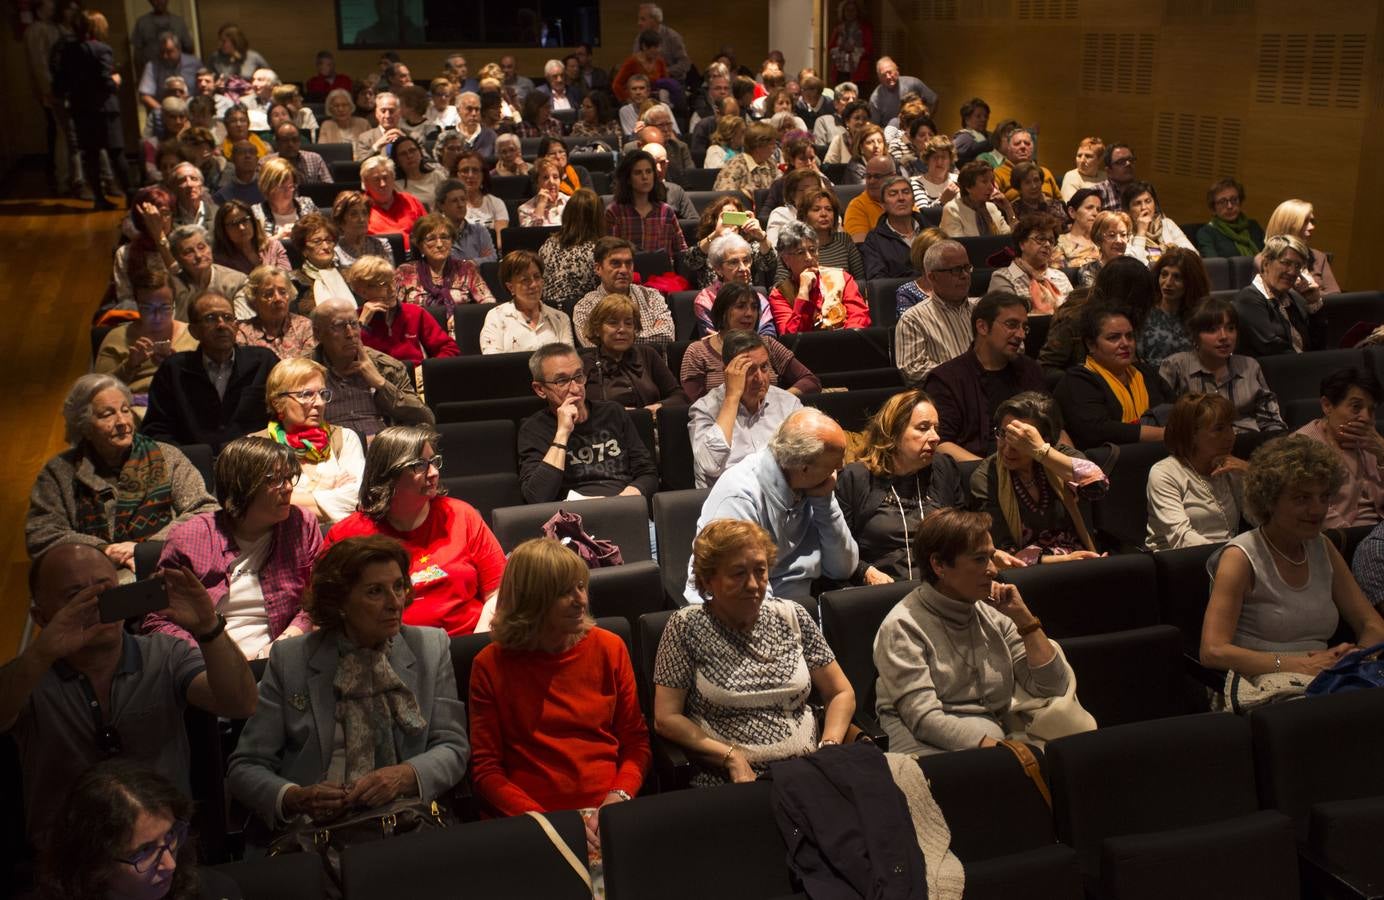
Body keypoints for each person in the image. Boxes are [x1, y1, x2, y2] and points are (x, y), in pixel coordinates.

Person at [1, 542, 257, 840]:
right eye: (76, 597)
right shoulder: (28, 677)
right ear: (42, 617)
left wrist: (209, 627)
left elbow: (241, 704)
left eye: (105, 589)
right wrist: (41, 653)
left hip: (164, 845)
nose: (96, 604)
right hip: (70, 854)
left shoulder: (165, 654)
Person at [227, 535, 469, 834]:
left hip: (410, 822)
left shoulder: (430, 647)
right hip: (316, 832)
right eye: (375, 592)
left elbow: (453, 746)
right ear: (340, 602)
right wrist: (295, 797)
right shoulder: (291, 659)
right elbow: (246, 766)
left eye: (398, 587)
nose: (395, 602)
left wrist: (405, 776)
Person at [655, 518, 854, 785]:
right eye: (738, 574)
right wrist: (730, 757)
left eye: (760, 571)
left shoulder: (792, 616)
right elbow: (666, 718)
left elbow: (840, 692)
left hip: (808, 771)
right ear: (707, 580)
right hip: (731, 781)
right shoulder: (685, 627)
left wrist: (830, 746)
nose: (753, 584)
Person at [469, 537, 648, 832]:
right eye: (564, 592)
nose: (581, 600)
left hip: (608, 811)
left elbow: (636, 743)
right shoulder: (490, 665)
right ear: (531, 601)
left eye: (580, 586)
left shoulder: (609, 648)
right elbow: (487, 771)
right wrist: (550, 824)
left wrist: (618, 797)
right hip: (531, 822)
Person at [873, 508, 1071, 755]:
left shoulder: (993, 612)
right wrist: (1002, 751)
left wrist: (1024, 620)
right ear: (939, 565)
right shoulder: (902, 626)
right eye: (979, 559)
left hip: (994, 742)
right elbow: (924, 719)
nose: (993, 570)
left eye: (991, 557)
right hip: (926, 747)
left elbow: (1052, 686)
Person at [1201, 436, 1384, 695]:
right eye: (1302, 498)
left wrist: (1355, 656)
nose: (1317, 510)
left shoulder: (1322, 547)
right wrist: (1300, 665)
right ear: (1269, 500)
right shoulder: (1240, 556)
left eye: (1324, 497)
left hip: (1322, 680)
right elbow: (1213, 651)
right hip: (1260, 685)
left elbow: (1372, 624)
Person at [144, 436, 318, 659]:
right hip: (207, 658)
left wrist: (280, 647)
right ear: (243, 486)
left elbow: (317, 599)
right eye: (275, 480)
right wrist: (211, 659)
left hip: (283, 654)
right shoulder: (190, 537)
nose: (288, 488)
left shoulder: (301, 524)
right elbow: (159, 620)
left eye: (289, 478)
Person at [26, 373, 215, 575]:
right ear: (84, 425)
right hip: (92, 575)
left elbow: (205, 511)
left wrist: (143, 549)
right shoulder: (59, 471)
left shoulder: (167, 456)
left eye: (125, 410)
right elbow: (41, 534)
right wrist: (103, 551)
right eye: (107, 414)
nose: (122, 421)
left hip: (163, 566)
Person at [324, 428, 505, 636]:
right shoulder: (347, 535)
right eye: (420, 465)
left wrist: (477, 643)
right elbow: (327, 609)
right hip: (383, 649)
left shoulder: (462, 516)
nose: (433, 472)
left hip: (464, 642)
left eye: (434, 462)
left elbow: (498, 593)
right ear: (389, 474)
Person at [685, 408, 858, 603]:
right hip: (745, 609)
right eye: (834, 465)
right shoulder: (740, 496)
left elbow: (843, 568)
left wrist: (824, 502)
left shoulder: (813, 485)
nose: (840, 468)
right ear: (804, 468)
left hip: (802, 601)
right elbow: (743, 590)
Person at [39, 760, 230, 900]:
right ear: (96, 862)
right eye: (145, 850)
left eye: (170, 835)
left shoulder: (212, 891)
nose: (170, 864)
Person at [835, 389, 964, 584]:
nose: (935, 437)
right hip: (883, 590)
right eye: (923, 428)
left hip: (942, 587)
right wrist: (864, 571)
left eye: (936, 428)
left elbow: (963, 533)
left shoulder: (943, 468)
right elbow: (837, 548)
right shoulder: (856, 478)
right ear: (893, 433)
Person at [971, 392, 1107, 566]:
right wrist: (1063, 560)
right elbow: (1003, 551)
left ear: (1044, 439)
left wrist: (1042, 452)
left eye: (1021, 440)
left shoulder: (1059, 457)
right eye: (1004, 434)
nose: (1008, 448)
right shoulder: (986, 477)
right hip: (1028, 571)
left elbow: (1098, 486)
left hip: (1082, 558)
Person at [518, 343, 659, 504]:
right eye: (562, 380)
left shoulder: (613, 413)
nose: (576, 388)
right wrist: (562, 433)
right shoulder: (533, 429)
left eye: (578, 376)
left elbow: (647, 473)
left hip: (623, 505)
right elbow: (536, 497)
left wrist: (623, 499)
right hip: (572, 514)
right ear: (540, 389)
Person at [143, 292, 278, 452]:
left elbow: (283, 414)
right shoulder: (173, 370)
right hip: (193, 460)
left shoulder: (264, 362)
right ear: (194, 331)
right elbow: (156, 429)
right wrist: (187, 457)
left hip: (253, 457)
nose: (221, 325)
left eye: (228, 318)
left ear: (236, 326)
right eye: (210, 318)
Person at [926, 291, 1049, 462]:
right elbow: (941, 443)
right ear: (982, 327)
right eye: (1012, 325)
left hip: (1031, 466)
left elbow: (1053, 428)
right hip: (973, 471)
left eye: (1024, 327)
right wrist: (991, 471)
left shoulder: (1030, 369)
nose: (1021, 335)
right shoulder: (946, 379)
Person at [252, 358, 365, 526]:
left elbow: (357, 499)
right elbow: (260, 504)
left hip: (341, 537)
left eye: (322, 394)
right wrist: (329, 490)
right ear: (278, 403)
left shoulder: (345, 438)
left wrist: (291, 500)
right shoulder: (255, 446)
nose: (319, 403)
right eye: (306, 394)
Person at [1159, 297, 1288, 442]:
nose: (1224, 336)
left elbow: (1272, 422)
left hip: (1250, 443)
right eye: (1212, 330)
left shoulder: (1250, 366)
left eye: (1230, 328)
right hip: (1199, 447)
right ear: (1194, 336)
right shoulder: (1175, 366)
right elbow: (1165, 423)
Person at [309, 297, 435, 439]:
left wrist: (381, 384)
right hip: (328, 446)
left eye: (354, 324)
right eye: (338, 326)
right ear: (318, 333)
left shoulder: (387, 367)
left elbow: (425, 419)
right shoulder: (303, 371)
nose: (350, 334)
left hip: (382, 446)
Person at [690, 330, 802, 489]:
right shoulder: (705, 409)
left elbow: (807, 459)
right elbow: (710, 465)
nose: (760, 378)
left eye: (764, 367)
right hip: (729, 499)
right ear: (728, 372)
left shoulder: (789, 404)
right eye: (749, 370)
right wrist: (732, 398)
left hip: (780, 496)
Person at [1054, 303, 1175, 449]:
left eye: (1129, 336)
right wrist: (1165, 434)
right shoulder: (1078, 380)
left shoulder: (1145, 372)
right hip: (1111, 459)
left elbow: (1178, 409)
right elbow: (1098, 430)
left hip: (1163, 452)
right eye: (1114, 338)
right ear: (1091, 344)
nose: (1125, 343)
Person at [681, 283, 820, 402]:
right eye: (741, 306)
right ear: (722, 312)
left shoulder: (767, 343)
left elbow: (810, 381)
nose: (749, 314)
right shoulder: (697, 351)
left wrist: (777, 400)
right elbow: (696, 404)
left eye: (754, 307)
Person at [52, 11, 134, 210]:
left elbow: (60, 83)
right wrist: (116, 80)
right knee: (116, 153)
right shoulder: (101, 49)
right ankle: (131, 196)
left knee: (91, 155)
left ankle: (99, 198)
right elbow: (106, 82)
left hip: (81, 110)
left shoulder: (68, 50)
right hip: (105, 110)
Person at [1146, 393, 1247, 551]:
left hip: (1226, 555)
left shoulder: (1229, 467)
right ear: (1192, 434)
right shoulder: (1165, 473)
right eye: (1219, 429)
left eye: (1231, 426)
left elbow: (1261, 520)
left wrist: (1251, 472)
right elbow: (1181, 538)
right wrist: (1233, 555)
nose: (1230, 436)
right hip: (1179, 559)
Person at [1292, 368, 1384, 529]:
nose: (1366, 418)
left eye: (1371, 410)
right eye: (1356, 407)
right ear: (1327, 405)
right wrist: (1347, 538)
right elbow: (1312, 510)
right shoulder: (1301, 446)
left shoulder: (1372, 441)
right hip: (1341, 536)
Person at [94, 267, 198, 407]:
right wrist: (130, 366)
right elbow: (98, 390)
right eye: (148, 308)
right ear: (137, 305)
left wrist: (178, 368)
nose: (157, 316)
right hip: (134, 407)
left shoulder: (193, 335)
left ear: (174, 303)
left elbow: (211, 384)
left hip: (184, 405)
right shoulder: (117, 338)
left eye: (165, 307)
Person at [579, 294, 686, 412]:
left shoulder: (648, 354)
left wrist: (658, 407)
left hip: (649, 421)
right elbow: (576, 406)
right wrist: (615, 413)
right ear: (597, 329)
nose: (622, 329)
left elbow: (679, 396)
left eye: (628, 323)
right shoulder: (583, 364)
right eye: (613, 323)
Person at [347, 256, 458, 367]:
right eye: (383, 284)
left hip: (415, 374)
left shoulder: (415, 312)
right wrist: (362, 324)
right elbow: (348, 360)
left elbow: (449, 348)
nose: (392, 289)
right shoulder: (352, 319)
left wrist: (427, 370)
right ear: (363, 291)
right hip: (375, 376)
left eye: (392, 281)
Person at [895, 240, 978, 385]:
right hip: (946, 393)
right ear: (932, 277)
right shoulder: (913, 319)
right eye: (956, 270)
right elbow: (913, 371)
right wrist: (966, 373)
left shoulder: (980, 309)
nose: (965, 275)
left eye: (967, 267)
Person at [393, 213, 495, 329]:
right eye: (431, 239)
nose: (439, 244)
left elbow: (489, 303)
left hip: (458, 332)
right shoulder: (405, 272)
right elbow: (393, 310)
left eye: (444, 237)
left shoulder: (466, 269)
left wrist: (463, 319)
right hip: (418, 332)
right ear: (420, 245)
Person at [768, 221, 871, 333]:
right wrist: (803, 291)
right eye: (800, 252)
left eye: (812, 250)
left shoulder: (841, 278)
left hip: (844, 340)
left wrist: (844, 339)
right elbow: (792, 336)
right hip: (806, 344)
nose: (809, 257)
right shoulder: (779, 294)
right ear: (785, 260)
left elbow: (859, 317)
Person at [1232, 233, 1325, 356]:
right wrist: (1308, 363)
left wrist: (1314, 303)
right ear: (1266, 264)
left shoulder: (1294, 298)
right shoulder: (1248, 298)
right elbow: (1271, 348)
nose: (1292, 272)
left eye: (1297, 266)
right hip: (1271, 367)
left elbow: (1318, 345)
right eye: (1286, 263)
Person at [572, 237, 675, 347]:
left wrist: (614, 340)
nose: (624, 270)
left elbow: (667, 337)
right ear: (598, 268)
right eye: (615, 263)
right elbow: (594, 347)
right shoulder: (585, 307)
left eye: (628, 263)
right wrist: (652, 333)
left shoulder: (651, 296)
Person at [481, 250, 573, 354]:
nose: (534, 285)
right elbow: (492, 361)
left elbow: (569, 359)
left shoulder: (560, 318)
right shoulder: (496, 317)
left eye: (537, 277)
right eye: (525, 280)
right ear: (511, 287)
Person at [684, 196, 778, 294]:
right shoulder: (707, 245)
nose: (731, 223)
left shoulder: (748, 246)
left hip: (745, 295)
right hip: (713, 298)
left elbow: (769, 263)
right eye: (727, 217)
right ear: (715, 221)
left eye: (735, 216)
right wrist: (716, 234)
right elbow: (690, 262)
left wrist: (761, 237)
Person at [689, 231, 775, 335]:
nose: (743, 268)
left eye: (746, 261)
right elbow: (713, 339)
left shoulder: (759, 299)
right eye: (733, 262)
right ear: (718, 269)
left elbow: (768, 337)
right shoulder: (706, 301)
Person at [606, 149, 687, 258]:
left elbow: (682, 251)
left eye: (648, 171)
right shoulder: (615, 212)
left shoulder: (666, 211)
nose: (645, 177)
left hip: (661, 268)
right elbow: (609, 254)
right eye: (638, 173)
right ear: (628, 179)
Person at [986, 214, 1073, 314]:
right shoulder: (1003, 278)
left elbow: (1074, 312)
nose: (1047, 244)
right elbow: (1007, 315)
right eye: (1040, 239)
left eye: (1051, 241)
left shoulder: (1060, 277)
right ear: (1022, 244)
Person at [1135, 248, 1208, 366]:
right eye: (1164, 274)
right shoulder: (1144, 313)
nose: (1168, 283)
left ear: (1191, 282)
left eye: (1177, 277)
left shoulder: (1201, 316)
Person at [537, 189, 604, 307]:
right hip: (583, 312)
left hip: (548, 310)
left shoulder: (548, 244)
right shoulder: (597, 250)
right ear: (597, 217)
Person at [235, 265, 317, 359]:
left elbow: (309, 365)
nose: (278, 299)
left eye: (283, 292)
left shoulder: (305, 326)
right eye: (268, 294)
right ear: (254, 300)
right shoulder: (243, 333)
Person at [1263, 198, 1341, 297]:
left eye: (1312, 221)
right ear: (1288, 225)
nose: (1312, 227)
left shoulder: (1318, 256)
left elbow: (1336, 297)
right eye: (1305, 221)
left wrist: (1316, 294)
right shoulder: (1266, 258)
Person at [861, 175, 926, 280]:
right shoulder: (874, 240)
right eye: (893, 194)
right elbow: (878, 281)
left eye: (906, 192)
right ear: (883, 204)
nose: (901, 198)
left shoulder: (930, 230)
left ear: (913, 201)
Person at [795, 188, 866, 282]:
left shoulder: (844, 240)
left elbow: (860, 280)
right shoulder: (793, 244)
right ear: (804, 216)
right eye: (816, 210)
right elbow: (781, 283)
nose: (824, 214)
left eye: (829, 209)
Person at [360, 156, 426, 252]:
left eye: (386, 177)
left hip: (415, 256)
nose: (382, 184)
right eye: (376, 179)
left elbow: (429, 230)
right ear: (366, 183)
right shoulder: (360, 208)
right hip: (377, 258)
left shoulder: (410, 201)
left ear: (393, 178)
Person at [213, 199, 290, 276]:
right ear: (222, 230)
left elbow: (286, 276)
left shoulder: (272, 246)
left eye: (244, 220)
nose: (242, 227)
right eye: (233, 224)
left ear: (253, 221)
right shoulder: (221, 262)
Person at [940, 160, 1014, 237]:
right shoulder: (952, 209)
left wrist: (1008, 209)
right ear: (968, 187)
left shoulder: (991, 207)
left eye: (992, 181)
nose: (991, 187)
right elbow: (956, 243)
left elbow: (1011, 238)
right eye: (984, 182)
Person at [1195, 177, 1265, 258]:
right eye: (1222, 202)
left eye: (1234, 199)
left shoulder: (1253, 226)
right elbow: (1214, 264)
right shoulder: (1206, 233)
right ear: (1213, 208)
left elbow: (1270, 255)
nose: (1230, 206)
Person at [713, 122, 780, 199]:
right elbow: (724, 195)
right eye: (772, 144)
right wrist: (742, 195)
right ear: (758, 146)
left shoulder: (770, 163)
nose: (775, 148)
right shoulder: (736, 164)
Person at [452, 150, 509, 236]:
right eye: (465, 170)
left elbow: (501, 237)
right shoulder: (449, 205)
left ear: (483, 175)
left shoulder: (496, 203)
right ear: (457, 175)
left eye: (475, 170)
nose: (470, 175)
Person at [868, 55, 936, 126]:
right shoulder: (875, 98)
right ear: (879, 78)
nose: (888, 77)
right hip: (890, 130)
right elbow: (874, 126)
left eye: (890, 72)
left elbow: (934, 100)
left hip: (916, 128)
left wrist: (927, 122)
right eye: (884, 75)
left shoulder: (913, 83)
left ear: (897, 71)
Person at [332, 190, 394, 267]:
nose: (362, 219)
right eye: (354, 214)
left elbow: (390, 273)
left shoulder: (381, 245)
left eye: (364, 213)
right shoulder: (334, 252)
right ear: (341, 222)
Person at [630, 3, 691, 80]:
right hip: (647, 81)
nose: (639, 23)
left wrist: (663, 71)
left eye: (643, 19)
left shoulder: (672, 37)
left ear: (655, 20)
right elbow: (634, 62)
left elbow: (685, 64)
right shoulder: (639, 38)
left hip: (673, 81)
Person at [842, 154, 891, 242]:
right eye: (868, 176)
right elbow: (860, 245)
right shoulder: (857, 206)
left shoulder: (902, 200)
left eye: (877, 176)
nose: (871, 181)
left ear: (892, 177)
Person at [1076, 210, 1132, 287]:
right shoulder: (1089, 271)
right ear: (1098, 239)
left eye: (1123, 235)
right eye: (1112, 235)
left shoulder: (1134, 267)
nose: (1119, 241)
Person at [391, 135, 445, 212]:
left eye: (412, 150)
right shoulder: (395, 186)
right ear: (397, 160)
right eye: (403, 154)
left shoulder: (436, 176)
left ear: (420, 153)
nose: (409, 156)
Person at [910, 134, 960, 211]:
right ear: (927, 159)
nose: (939, 162)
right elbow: (924, 214)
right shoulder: (916, 183)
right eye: (935, 157)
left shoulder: (958, 180)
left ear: (950, 160)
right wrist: (942, 201)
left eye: (943, 157)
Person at [1056, 188, 1103, 269]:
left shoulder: (1102, 242)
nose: (1095, 213)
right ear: (1072, 212)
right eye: (1089, 208)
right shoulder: (1060, 243)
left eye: (1098, 210)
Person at [517, 158, 569, 228]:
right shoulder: (524, 209)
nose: (552, 182)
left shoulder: (570, 202)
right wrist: (540, 205)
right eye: (545, 178)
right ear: (537, 182)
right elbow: (530, 234)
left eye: (555, 177)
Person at [1091, 143, 1137, 212]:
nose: (1128, 164)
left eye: (1131, 160)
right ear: (1108, 171)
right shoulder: (1096, 193)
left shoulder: (1143, 191)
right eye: (1121, 162)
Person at [1059, 136, 1106, 201]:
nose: (1082, 160)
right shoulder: (1071, 176)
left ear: (1099, 160)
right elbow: (1072, 205)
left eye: (1088, 156)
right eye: (1079, 156)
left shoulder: (1105, 176)